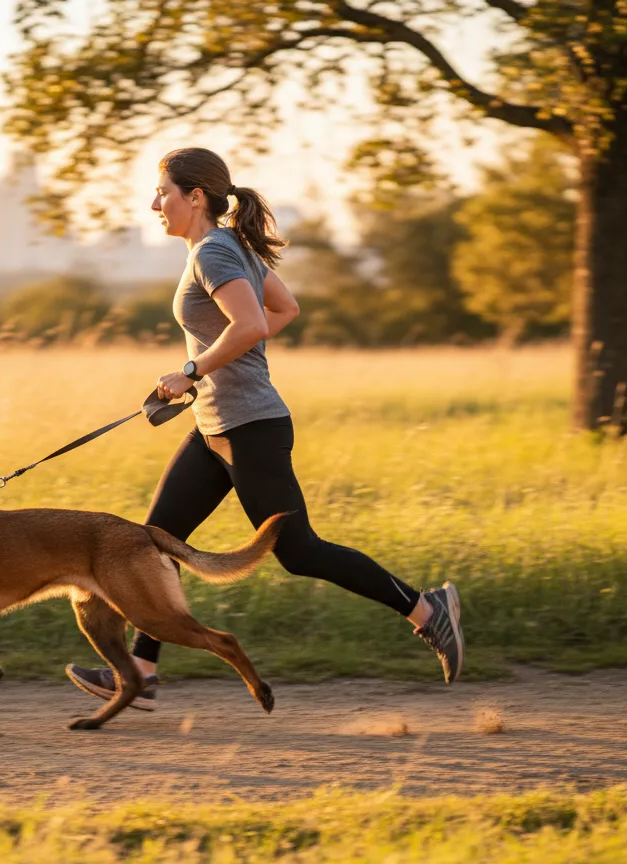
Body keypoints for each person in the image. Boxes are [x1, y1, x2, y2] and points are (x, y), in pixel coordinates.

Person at [66, 147, 463, 711]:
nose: (155, 204)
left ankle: (427, 610)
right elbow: (285, 309)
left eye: (163, 193)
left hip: (250, 427)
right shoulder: (229, 247)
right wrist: (222, 363)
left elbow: (253, 322)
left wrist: (193, 369)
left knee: (299, 552)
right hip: (215, 427)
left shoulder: (214, 252)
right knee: (156, 540)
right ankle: (142, 670)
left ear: (194, 197)